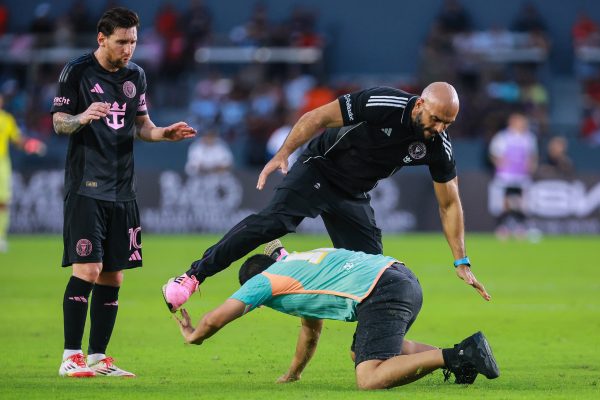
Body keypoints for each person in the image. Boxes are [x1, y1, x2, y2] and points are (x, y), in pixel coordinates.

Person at [163, 82, 491, 313]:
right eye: (435, 119)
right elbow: (317, 117)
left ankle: (368, 351)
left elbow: (449, 203)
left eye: (447, 124)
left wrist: (461, 261)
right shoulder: (383, 103)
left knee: (374, 274)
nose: (438, 128)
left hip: (353, 193)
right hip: (320, 168)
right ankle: (193, 276)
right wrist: (283, 154)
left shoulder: (438, 145)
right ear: (420, 104)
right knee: (273, 222)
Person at [51, 7, 196, 378]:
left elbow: (142, 126)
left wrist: (164, 133)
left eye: (133, 41)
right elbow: (58, 123)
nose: (128, 49)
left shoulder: (136, 76)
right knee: (88, 268)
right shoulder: (78, 71)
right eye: (121, 42)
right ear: (102, 39)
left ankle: (98, 358)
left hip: (123, 189)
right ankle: (71, 356)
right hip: (87, 186)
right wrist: (82, 118)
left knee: (114, 276)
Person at [172, 240, 500, 389]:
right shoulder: (296, 267)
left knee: (368, 377)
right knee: (364, 351)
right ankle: (465, 362)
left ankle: (458, 354)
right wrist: (294, 374)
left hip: (382, 290)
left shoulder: (263, 282)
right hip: (401, 277)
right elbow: (311, 331)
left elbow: (217, 317)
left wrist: (193, 335)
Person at [0, 94, 45, 252]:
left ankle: (0, 237)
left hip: (2, 163)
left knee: (3, 202)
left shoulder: (6, 119)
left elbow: (17, 140)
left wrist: (32, 145)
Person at [488, 112, 538, 239]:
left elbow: (532, 156)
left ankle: (520, 227)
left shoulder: (529, 138)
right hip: (505, 177)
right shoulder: (502, 137)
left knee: (522, 204)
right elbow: (494, 155)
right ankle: (503, 227)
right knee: (503, 204)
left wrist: (531, 166)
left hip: (522, 177)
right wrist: (501, 163)